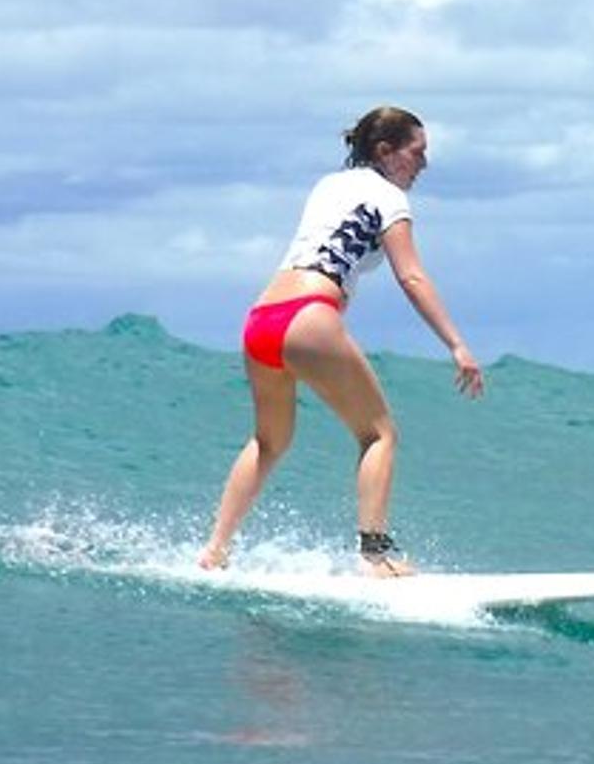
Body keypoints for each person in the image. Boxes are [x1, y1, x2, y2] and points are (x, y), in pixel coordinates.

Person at [199, 105, 484, 576]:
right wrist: (456, 344)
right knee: (379, 434)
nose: (423, 165)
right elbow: (411, 276)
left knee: (269, 442)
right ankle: (375, 557)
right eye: (417, 153)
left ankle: (215, 550)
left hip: (263, 318)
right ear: (385, 151)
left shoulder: (328, 185)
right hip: (310, 316)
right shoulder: (391, 199)